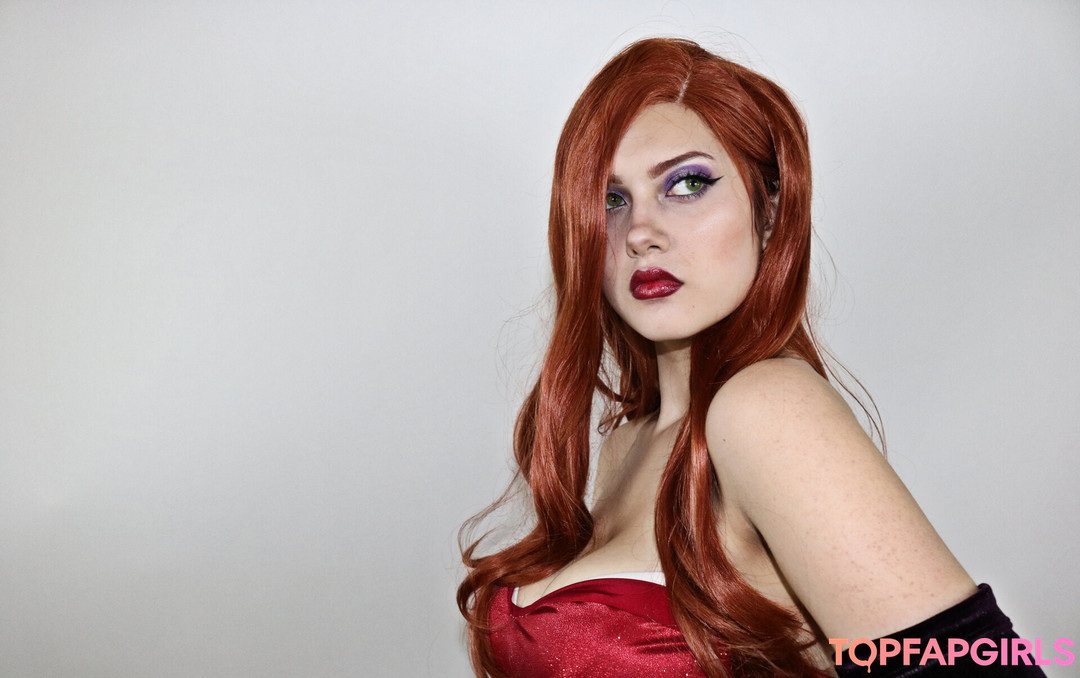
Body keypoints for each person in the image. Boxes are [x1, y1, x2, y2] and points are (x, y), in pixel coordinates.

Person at [458, 37, 1045, 677]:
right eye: (610, 200)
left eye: (687, 184)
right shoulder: (627, 443)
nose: (641, 234)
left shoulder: (764, 409)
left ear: (770, 211)